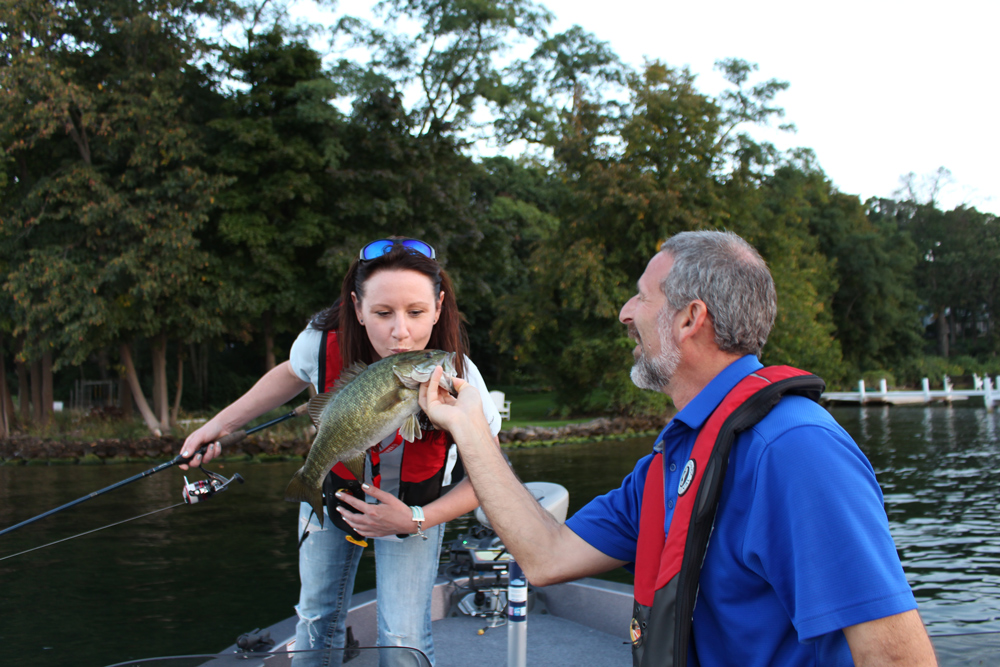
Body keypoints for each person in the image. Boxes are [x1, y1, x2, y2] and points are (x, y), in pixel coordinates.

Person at [420, 230, 938, 666]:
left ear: (690, 318)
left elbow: (896, 657)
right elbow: (546, 557)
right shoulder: (672, 461)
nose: (625, 313)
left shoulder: (795, 449)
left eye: (642, 297)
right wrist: (471, 430)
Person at [181, 237, 502, 666]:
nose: (400, 332)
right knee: (315, 619)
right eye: (383, 313)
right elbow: (291, 373)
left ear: (439, 307)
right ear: (357, 307)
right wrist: (219, 427)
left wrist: (416, 518)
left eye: (416, 312)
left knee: (403, 634)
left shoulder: (460, 375)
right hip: (333, 488)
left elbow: (491, 475)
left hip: (414, 509)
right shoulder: (317, 343)